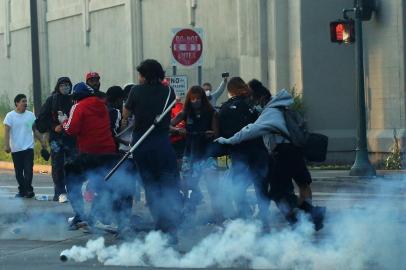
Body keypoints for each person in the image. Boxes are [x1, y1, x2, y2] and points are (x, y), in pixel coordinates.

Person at [215, 89, 325, 231]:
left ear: (262, 99)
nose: (255, 105)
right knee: (297, 186)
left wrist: (229, 140)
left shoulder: (271, 113)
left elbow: (251, 130)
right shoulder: (285, 110)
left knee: (277, 193)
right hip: (295, 152)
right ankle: (306, 219)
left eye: (256, 100)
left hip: (283, 153)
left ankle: (309, 216)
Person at [121, 59, 182, 243]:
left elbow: (126, 114)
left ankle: (160, 225)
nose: (139, 78)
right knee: (169, 185)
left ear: (145, 75)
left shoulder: (136, 91)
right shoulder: (168, 91)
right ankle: (170, 226)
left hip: (142, 144)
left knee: (151, 186)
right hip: (163, 144)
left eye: (140, 74)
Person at [61, 82, 131, 233]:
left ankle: (80, 215)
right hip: (108, 153)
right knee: (103, 184)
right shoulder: (101, 106)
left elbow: (71, 129)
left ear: (76, 96)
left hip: (89, 154)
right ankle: (102, 217)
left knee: (71, 178)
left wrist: (63, 121)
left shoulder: (78, 106)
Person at [218, 77, 269, 221]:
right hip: (258, 151)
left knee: (237, 186)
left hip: (239, 154)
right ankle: (264, 219)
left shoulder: (225, 108)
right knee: (261, 186)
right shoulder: (253, 106)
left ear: (230, 91)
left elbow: (222, 133)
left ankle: (243, 217)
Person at [171, 85, 219, 218]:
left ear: (203, 99)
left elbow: (218, 135)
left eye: (198, 98)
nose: (195, 101)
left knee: (213, 187)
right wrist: (177, 130)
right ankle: (187, 215)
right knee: (187, 186)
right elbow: (168, 126)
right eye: (192, 99)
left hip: (208, 154)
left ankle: (218, 216)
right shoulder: (185, 113)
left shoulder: (212, 112)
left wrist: (212, 133)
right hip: (190, 153)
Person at [36, 77, 76, 203]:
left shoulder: (74, 100)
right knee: (57, 164)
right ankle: (60, 192)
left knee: (72, 164)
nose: (65, 87)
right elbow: (41, 119)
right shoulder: (52, 100)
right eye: (62, 85)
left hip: (71, 138)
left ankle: (71, 191)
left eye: (67, 85)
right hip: (56, 138)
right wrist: (54, 127)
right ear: (58, 87)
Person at [3, 94, 47, 198]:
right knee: (19, 172)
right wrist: (6, 145)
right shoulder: (10, 116)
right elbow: (7, 132)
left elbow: (34, 130)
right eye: (23, 101)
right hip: (16, 148)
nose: (25, 103)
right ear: (17, 103)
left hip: (28, 147)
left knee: (28, 170)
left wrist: (42, 142)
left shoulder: (30, 115)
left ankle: (28, 190)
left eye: (26, 101)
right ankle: (22, 190)